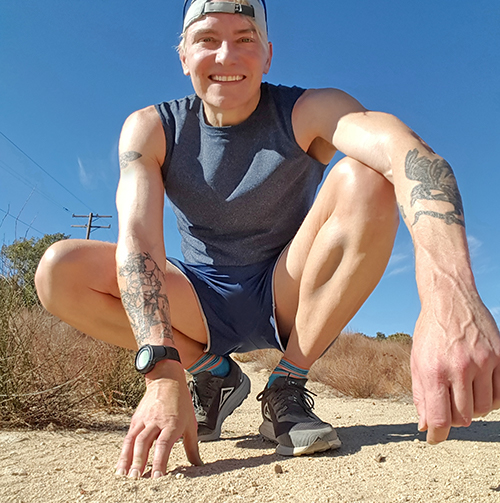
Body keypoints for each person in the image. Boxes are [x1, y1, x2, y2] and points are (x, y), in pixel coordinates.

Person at [35, 0, 500, 480]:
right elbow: (138, 237)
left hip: (286, 290)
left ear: (268, 54)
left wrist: (449, 294)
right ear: (183, 56)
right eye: (207, 40)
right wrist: (162, 370)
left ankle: (285, 385)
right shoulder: (153, 127)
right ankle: (211, 373)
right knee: (58, 271)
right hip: (196, 297)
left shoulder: (309, 112)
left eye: (244, 39)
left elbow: (407, 153)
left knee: (368, 179)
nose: (225, 57)